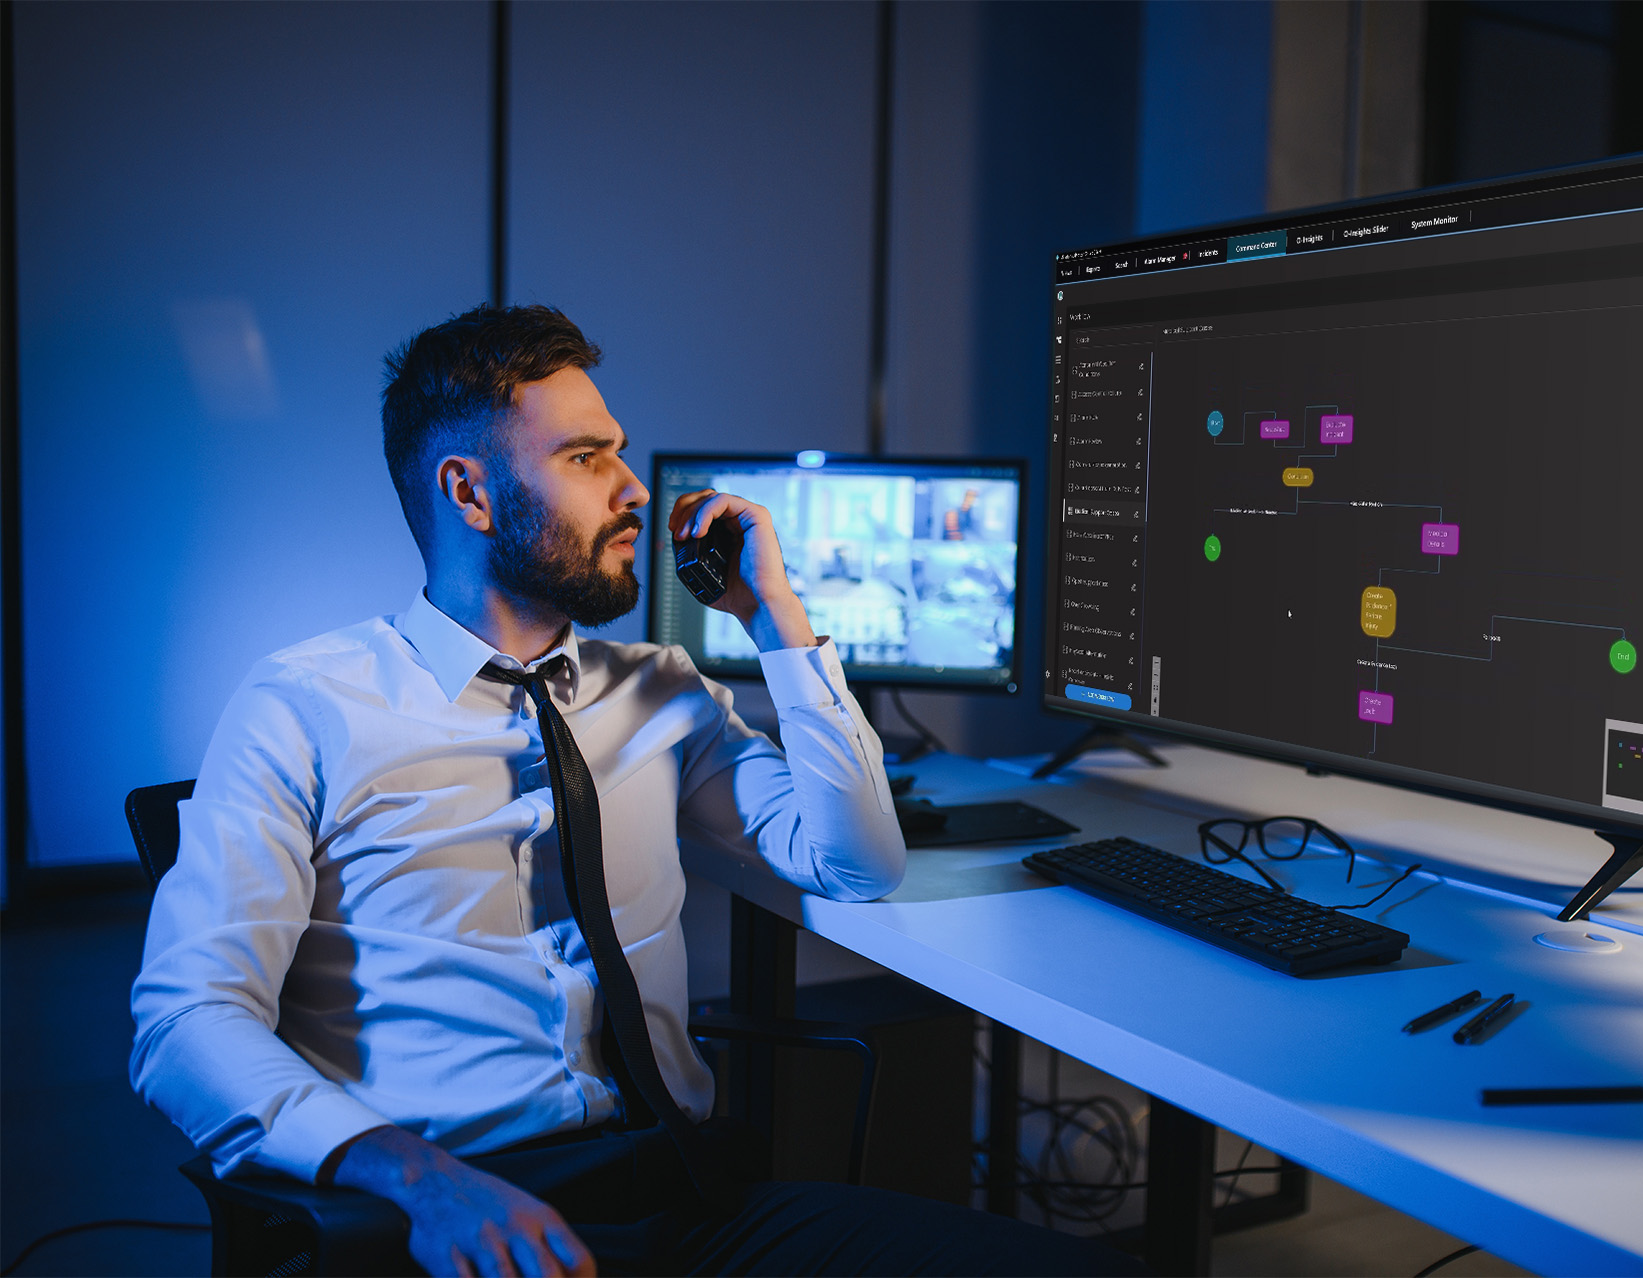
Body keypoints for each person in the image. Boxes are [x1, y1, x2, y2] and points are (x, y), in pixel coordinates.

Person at [131, 305, 1136, 1277]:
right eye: (586, 458)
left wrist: (777, 617)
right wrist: (423, 1183)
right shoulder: (305, 706)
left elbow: (858, 864)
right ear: (469, 494)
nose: (635, 490)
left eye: (618, 450)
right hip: (451, 1215)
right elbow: (187, 1022)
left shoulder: (661, 689)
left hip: (689, 1201)